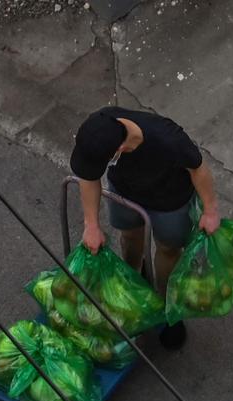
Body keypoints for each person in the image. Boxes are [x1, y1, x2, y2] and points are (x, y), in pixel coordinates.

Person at [69, 107, 220, 350]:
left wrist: (210, 211)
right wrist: (91, 225)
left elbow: (198, 169)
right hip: (126, 193)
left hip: (169, 200)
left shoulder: (168, 139)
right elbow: (89, 178)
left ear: (119, 150)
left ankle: (166, 304)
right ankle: (133, 285)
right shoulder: (102, 125)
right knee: (129, 236)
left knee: (168, 250)